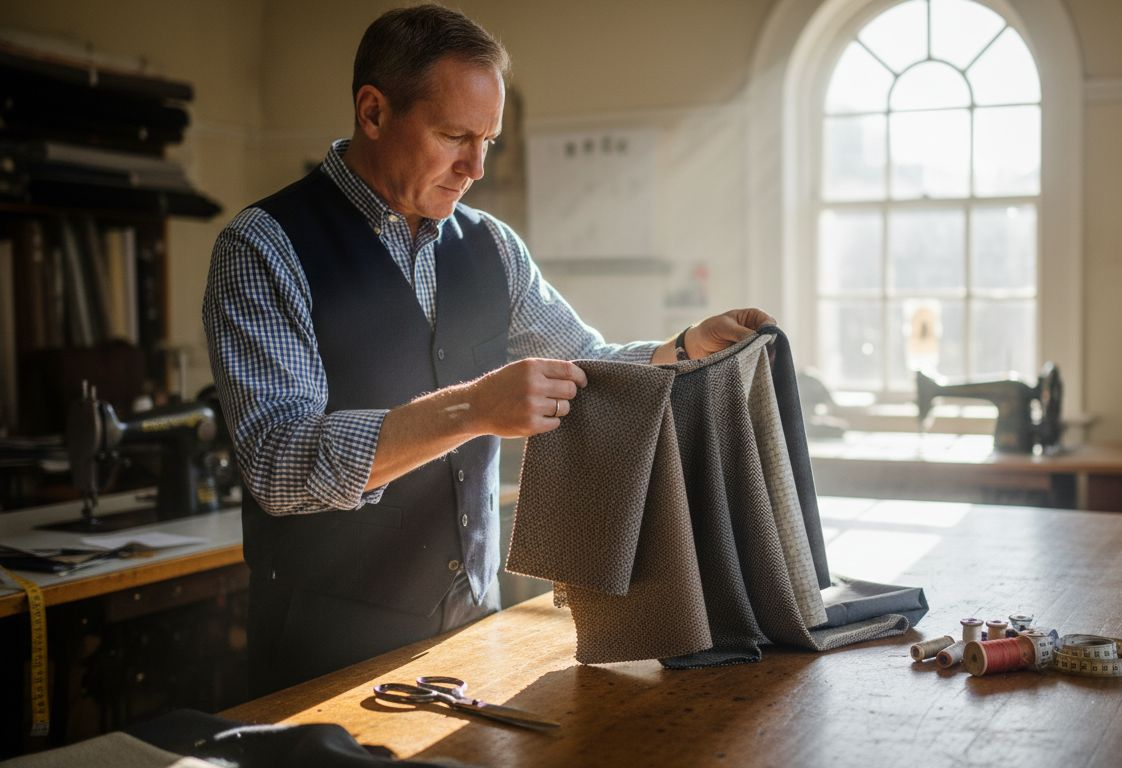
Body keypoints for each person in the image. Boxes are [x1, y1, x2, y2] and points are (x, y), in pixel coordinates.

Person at [203, 3, 774, 697]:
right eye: (454, 136)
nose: (475, 166)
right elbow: (278, 463)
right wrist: (474, 408)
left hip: (470, 635)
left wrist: (682, 348)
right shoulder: (264, 248)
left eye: (488, 141)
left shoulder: (493, 247)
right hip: (322, 660)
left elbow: (585, 363)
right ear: (373, 111)